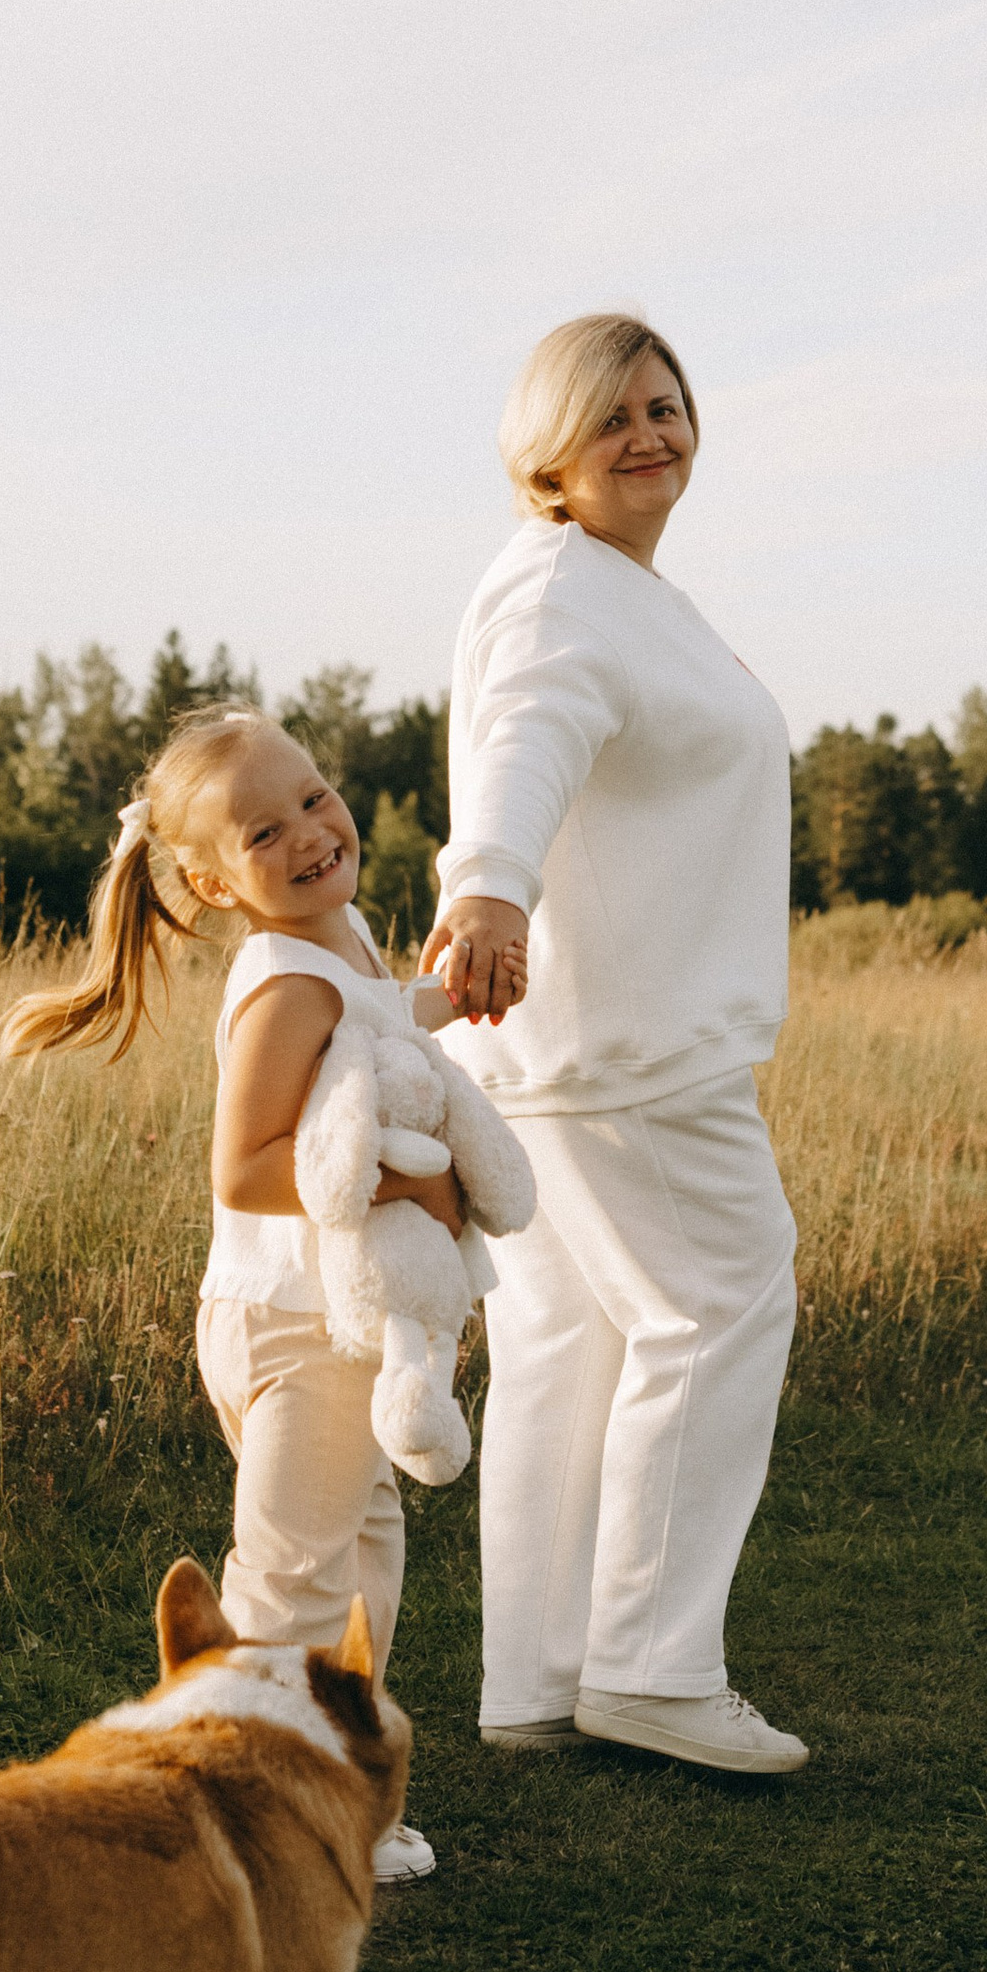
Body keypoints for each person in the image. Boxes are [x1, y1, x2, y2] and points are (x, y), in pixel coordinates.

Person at [427, 313, 806, 1774]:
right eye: (613, 418)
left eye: (667, 405)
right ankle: (654, 1665)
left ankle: (537, 1679)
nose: (651, 433)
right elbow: (522, 745)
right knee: (721, 1301)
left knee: (569, 1343)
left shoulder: (610, 585)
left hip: (581, 1049)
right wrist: (490, 888)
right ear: (550, 453)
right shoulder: (560, 600)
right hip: (623, 1053)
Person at [0, 707, 465, 1885]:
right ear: (211, 881)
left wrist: (447, 996)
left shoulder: (340, 938)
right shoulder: (281, 981)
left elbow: (379, 1026)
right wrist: (414, 1186)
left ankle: (334, 1790)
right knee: (291, 1580)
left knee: (359, 1560)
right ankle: (240, 1818)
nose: (312, 833)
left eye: (313, 797)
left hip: (334, 1320)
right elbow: (248, 1166)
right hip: (295, 1325)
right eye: (266, 830)